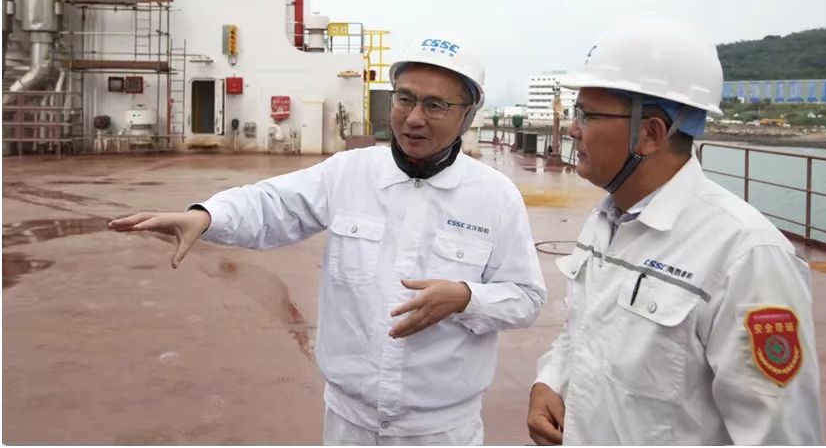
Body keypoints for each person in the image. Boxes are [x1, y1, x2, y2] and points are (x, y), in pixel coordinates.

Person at [109, 35, 546, 445]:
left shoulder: (494, 197)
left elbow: (526, 298)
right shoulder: (350, 173)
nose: (414, 118)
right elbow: (273, 204)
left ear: (467, 116)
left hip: (439, 432)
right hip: (348, 423)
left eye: (435, 105)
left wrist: (467, 298)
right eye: (405, 98)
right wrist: (206, 216)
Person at [526, 18, 823, 445]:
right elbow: (581, 330)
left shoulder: (745, 255)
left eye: (587, 115)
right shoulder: (605, 220)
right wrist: (550, 380)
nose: (573, 129)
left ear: (650, 133)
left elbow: (779, 435)